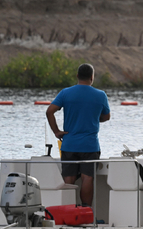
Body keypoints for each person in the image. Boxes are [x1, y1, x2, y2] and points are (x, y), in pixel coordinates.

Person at [46, 63, 110, 207]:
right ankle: (86, 211)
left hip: (69, 144)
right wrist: (93, 117)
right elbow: (106, 117)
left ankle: (67, 210)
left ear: (77, 76)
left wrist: (56, 131)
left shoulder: (65, 93)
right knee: (87, 178)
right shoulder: (100, 95)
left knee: (68, 179)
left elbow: (49, 111)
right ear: (92, 77)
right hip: (90, 146)